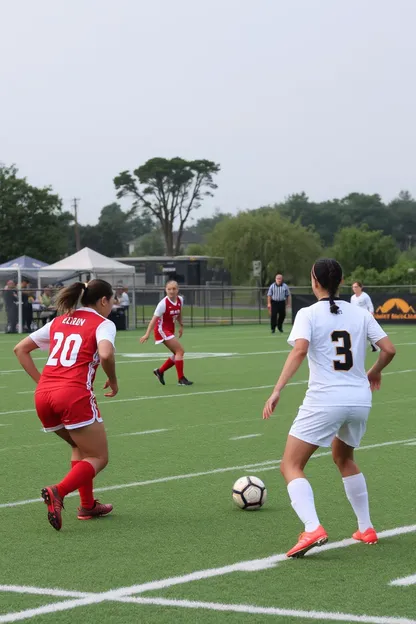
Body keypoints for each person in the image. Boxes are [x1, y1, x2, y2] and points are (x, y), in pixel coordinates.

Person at [263, 258, 396, 559]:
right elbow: (389, 349)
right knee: (344, 457)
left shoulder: (307, 313)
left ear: (314, 281)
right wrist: (374, 371)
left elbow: (299, 350)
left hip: (325, 399)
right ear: (342, 281)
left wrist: (277, 390)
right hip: (360, 399)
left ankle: (312, 527)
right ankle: (366, 527)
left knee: (290, 465)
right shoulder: (359, 312)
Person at [13, 279, 118, 531]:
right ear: (103, 300)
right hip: (72, 394)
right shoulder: (104, 323)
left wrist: (43, 384)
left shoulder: (60, 320)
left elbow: (20, 349)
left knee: (78, 445)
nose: (112, 306)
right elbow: (105, 354)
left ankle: (87, 505)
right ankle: (58, 491)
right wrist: (113, 380)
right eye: (111, 301)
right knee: (99, 457)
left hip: (44, 397)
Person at [140, 280, 193, 386]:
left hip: (170, 329)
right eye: (169, 289)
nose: (171, 291)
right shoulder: (163, 304)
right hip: (161, 330)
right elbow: (153, 320)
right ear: (166, 290)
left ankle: (160, 371)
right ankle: (181, 379)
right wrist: (147, 334)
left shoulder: (180, 300)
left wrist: (181, 325)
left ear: (178, 290)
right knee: (180, 351)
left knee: (177, 353)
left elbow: (178, 313)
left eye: (174, 289)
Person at [351, 281, 377, 352]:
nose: (354, 288)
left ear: (360, 287)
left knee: (366, 332)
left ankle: (374, 344)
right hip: (356, 319)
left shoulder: (365, 296)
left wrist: (371, 315)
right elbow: (352, 308)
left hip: (365, 318)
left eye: (356, 287)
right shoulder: (352, 297)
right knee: (357, 332)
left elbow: (370, 306)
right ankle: (372, 344)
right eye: (353, 287)